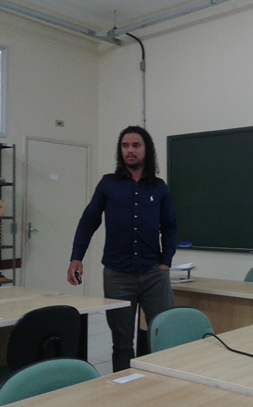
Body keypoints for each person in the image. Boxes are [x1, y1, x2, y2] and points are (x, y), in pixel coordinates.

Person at [67, 125, 177, 371]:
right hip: (118, 276)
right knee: (122, 342)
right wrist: (76, 258)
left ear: (146, 150)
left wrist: (165, 262)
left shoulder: (158, 187)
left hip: (153, 274)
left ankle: (157, 387)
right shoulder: (108, 184)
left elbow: (170, 226)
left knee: (161, 336)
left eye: (136, 145)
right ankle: (123, 390)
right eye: (125, 146)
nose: (130, 150)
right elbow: (88, 222)